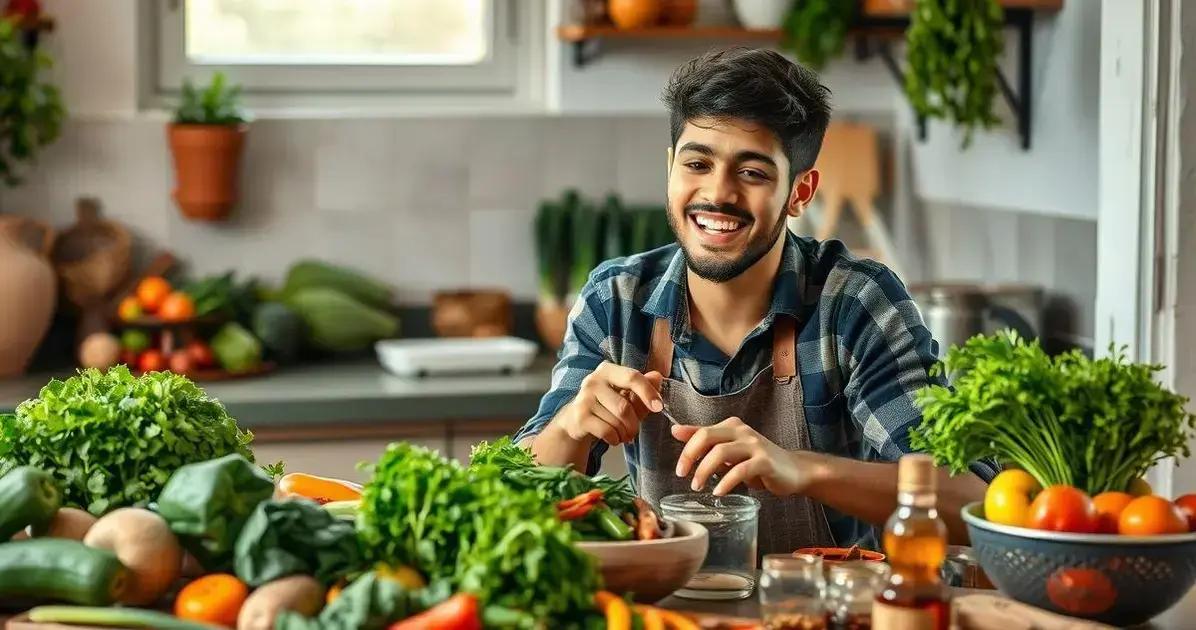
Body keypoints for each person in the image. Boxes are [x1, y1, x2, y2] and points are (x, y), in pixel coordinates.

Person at [514, 47, 992, 552]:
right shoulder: (616, 300)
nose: (717, 194)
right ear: (670, 168)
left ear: (800, 192)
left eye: (753, 173)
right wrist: (569, 428)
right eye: (697, 163)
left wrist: (801, 468)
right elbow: (514, 494)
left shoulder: (854, 304)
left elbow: (972, 500)